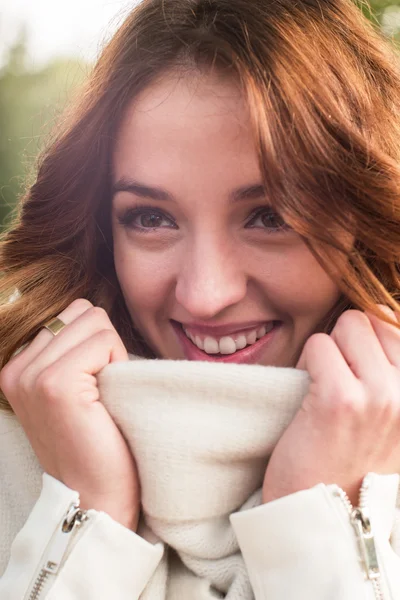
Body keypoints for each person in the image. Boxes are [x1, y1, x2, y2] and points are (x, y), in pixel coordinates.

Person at [0, 0, 400, 597]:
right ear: (102, 233)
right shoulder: (19, 447)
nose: (206, 295)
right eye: (151, 218)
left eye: (270, 215)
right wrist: (83, 518)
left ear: (364, 222)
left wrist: (324, 519)